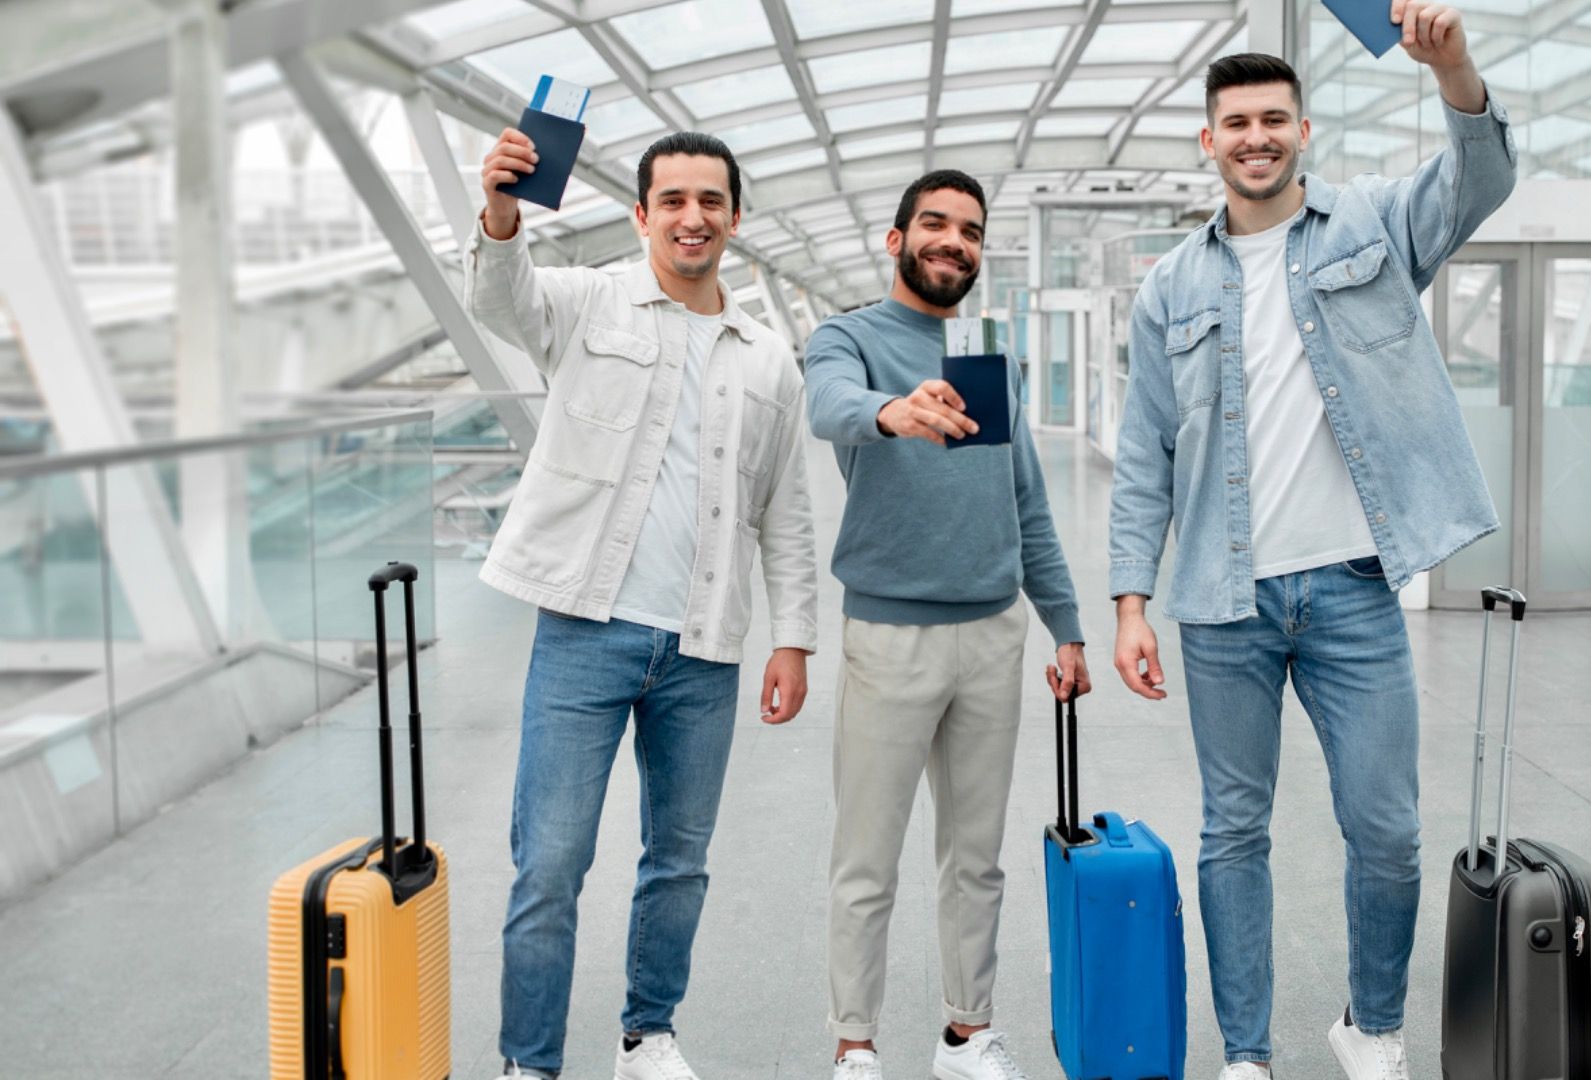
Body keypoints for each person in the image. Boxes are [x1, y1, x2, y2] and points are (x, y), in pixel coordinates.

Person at [1105, 3, 1516, 1078]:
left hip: (1349, 591)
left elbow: (1480, 181)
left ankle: (1371, 1027)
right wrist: (1128, 600)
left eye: (1274, 118)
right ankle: (1246, 1054)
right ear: (1209, 139)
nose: (1256, 137)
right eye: (1235, 122)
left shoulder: (1375, 225)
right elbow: (1144, 452)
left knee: (1386, 831)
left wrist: (1455, 68)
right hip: (1220, 601)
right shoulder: (1171, 287)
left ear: (1303, 130)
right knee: (1232, 834)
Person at [467, 128, 817, 1080]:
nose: (693, 217)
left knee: (679, 861)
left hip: (703, 650)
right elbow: (502, 296)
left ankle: (647, 1034)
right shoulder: (587, 305)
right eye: (673, 201)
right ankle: (529, 1062)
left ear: (735, 218)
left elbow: (784, 508)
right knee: (550, 863)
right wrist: (501, 212)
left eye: (711, 201)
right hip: (585, 631)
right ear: (642, 214)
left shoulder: (767, 359)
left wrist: (794, 639)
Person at [803, 168, 1091, 1080]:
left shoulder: (989, 359)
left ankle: (967, 1032)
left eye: (969, 231)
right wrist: (896, 412)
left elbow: (1027, 505)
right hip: (889, 639)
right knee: (868, 858)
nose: (953, 242)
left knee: (977, 859)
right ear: (896, 240)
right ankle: (855, 1043)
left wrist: (1068, 627)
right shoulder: (846, 338)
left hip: (991, 637)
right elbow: (829, 408)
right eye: (934, 224)